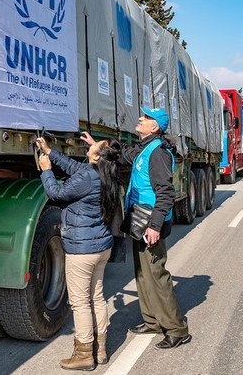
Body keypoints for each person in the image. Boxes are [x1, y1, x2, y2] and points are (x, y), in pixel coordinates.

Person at [81, 107, 191, 350]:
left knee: (157, 275)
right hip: (140, 221)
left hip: (150, 223)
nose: (140, 119)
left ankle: (176, 329)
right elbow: (121, 158)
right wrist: (97, 146)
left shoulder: (158, 153)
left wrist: (155, 225)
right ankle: (152, 320)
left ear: (154, 127)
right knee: (142, 274)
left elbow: (165, 192)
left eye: (146, 117)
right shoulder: (145, 148)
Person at [36, 136, 122, 371]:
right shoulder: (106, 172)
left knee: (80, 302)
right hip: (101, 246)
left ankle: (84, 354)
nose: (90, 143)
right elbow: (75, 168)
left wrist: (46, 170)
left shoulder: (88, 176)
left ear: (97, 154)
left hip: (82, 248)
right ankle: (100, 349)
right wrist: (50, 152)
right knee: (97, 297)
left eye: (96, 143)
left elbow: (56, 194)